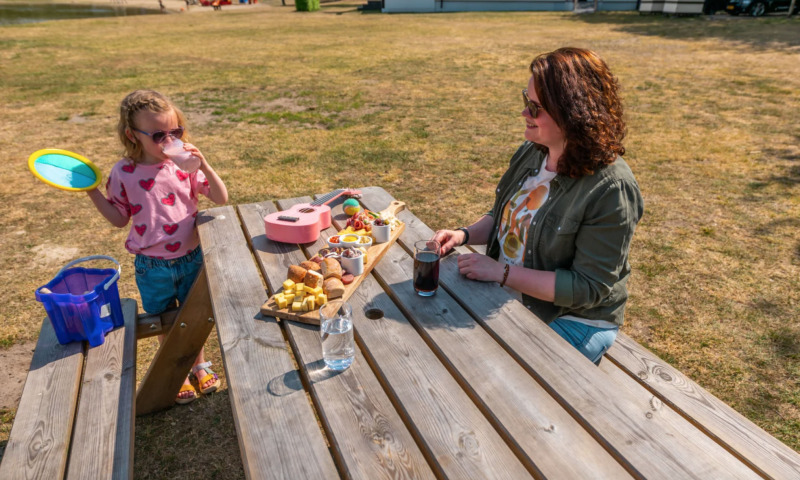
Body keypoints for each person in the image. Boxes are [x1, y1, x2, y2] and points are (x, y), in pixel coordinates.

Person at [433, 47, 644, 365]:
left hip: (573, 317)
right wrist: (463, 235)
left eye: (535, 108)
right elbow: (507, 215)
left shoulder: (611, 189)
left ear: (573, 114)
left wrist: (501, 272)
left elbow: (589, 287)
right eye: (525, 101)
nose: (524, 114)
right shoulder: (533, 151)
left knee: (500, 379)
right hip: (508, 291)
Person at [87, 89, 229, 403]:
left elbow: (221, 197)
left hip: (191, 256)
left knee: (194, 314)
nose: (169, 141)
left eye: (175, 132)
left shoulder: (183, 165)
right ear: (132, 135)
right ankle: (176, 368)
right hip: (153, 266)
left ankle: (200, 364)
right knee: (166, 318)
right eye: (158, 134)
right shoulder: (123, 173)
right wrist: (93, 193)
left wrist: (203, 164)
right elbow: (118, 219)